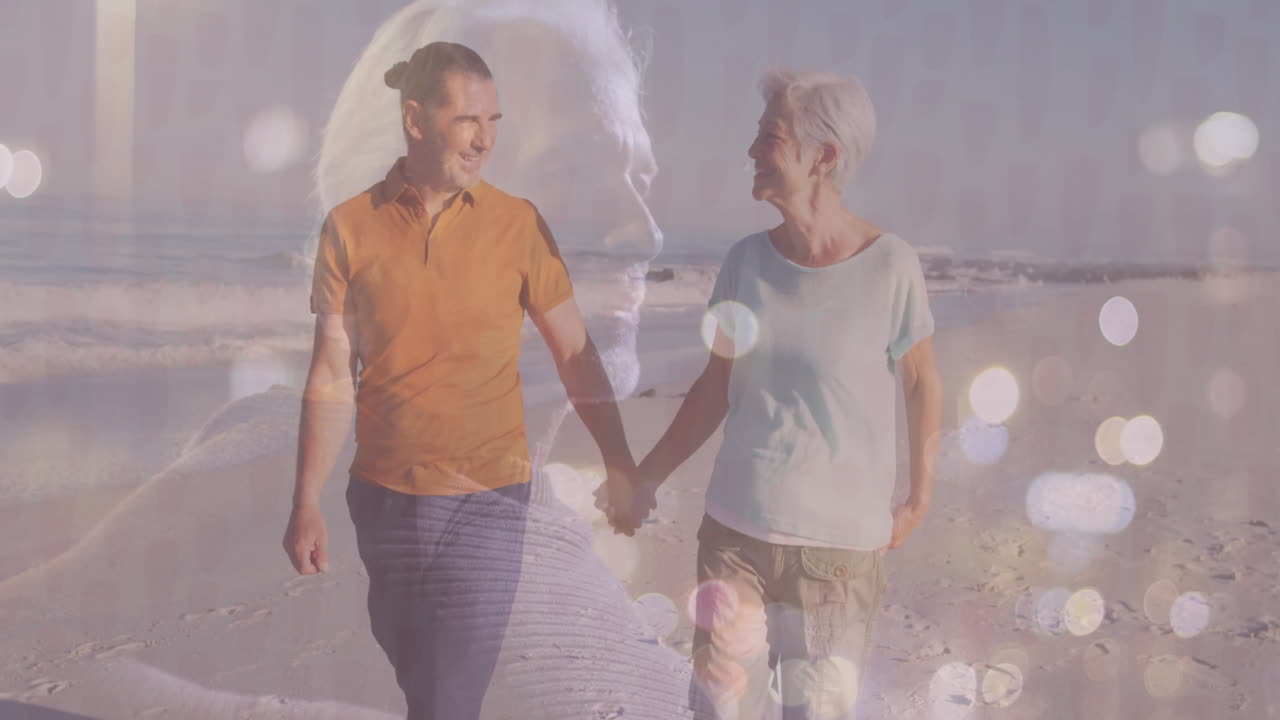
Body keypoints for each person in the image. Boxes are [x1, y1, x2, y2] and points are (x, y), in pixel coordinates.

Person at [281, 39, 646, 719]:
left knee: (448, 700)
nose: (484, 140)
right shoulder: (349, 228)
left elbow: (573, 351)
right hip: (382, 500)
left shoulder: (519, 225)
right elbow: (332, 371)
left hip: (490, 497)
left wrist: (619, 460)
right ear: (416, 121)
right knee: (418, 673)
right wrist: (306, 498)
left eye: (494, 122)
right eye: (468, 121)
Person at [613, 70, 944, 719]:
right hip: (735, 537)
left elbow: (923, 382)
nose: (751, 151)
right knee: (717, 707)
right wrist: (645, 476)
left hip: (839, 556)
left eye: (771, 136)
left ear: (824, 156)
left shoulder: (890, 266)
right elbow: (714, 391)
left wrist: (921, 496)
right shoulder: (745, 263)